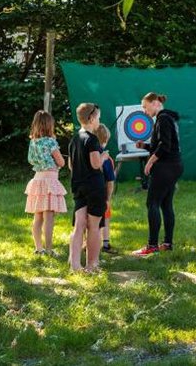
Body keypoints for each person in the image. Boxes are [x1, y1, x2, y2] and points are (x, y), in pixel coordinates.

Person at [132, 92, 184, 257]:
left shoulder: (163, 119)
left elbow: (165, 146)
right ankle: (167, 244)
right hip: (174, 165)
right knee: (166, 204)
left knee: (152, 203)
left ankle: (152, 245)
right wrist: (146, 146)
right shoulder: (168, 118)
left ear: (155, 103)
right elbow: (164, 144)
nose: (145, 112)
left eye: (146, 107)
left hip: (165, 167)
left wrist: (150, 161)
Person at [67, 103, 109, 273]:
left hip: (78, 187)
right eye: (98, 117)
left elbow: (71, 165)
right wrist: (104, 157)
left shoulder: (75, 139)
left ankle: (75, 266)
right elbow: (95, 163)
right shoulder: (92, 140)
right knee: (93, 226)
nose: (99, 121)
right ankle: (92, 265)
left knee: (79, 226)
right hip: (94, 188)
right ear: (91, 118)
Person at [24, 110, 66, 255]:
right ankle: (48, 249)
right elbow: (61, 161)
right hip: (50, 181)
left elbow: (30, 160)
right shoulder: (51, 142)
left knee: (38, 217)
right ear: (49, 125)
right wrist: (58, 162)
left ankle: (38, 248)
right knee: (49, 217)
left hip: (37, 180)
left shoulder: (33, 142)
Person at [94, 124, 118, 255]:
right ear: (105, 140)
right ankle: (105, 244)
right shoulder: (106, 159)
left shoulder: (88, 155)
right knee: (105, 219)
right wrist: (108, 198)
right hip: (102, 195)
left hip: (89, 193)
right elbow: (110, 181)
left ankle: (88, 243)